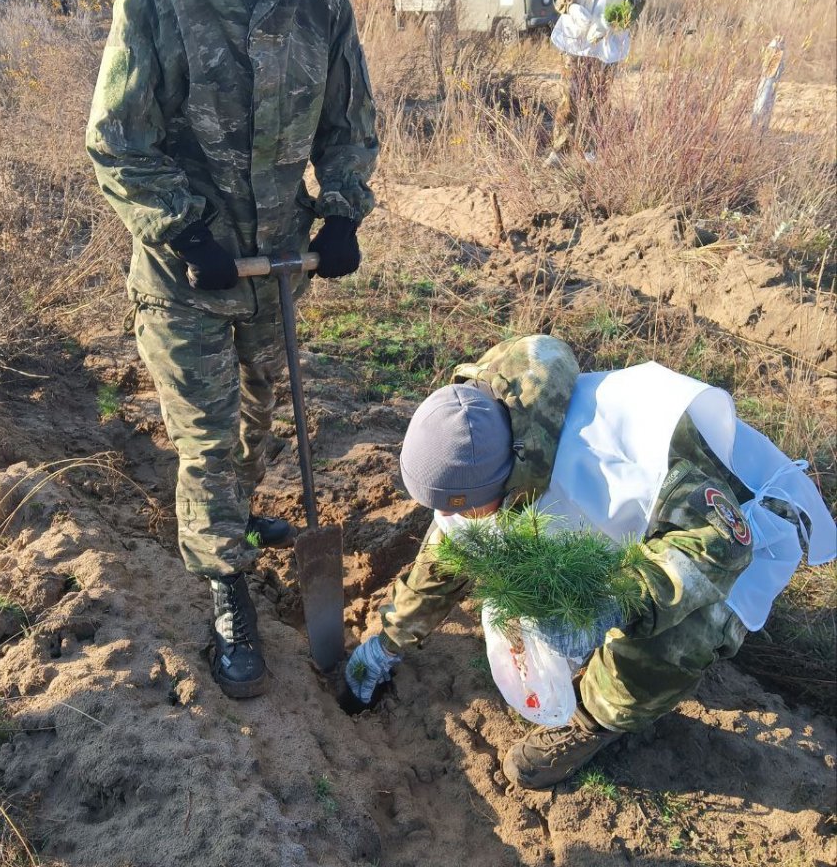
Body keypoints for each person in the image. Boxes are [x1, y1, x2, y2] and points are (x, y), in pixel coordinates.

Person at [86, 0, 378, 700]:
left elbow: (351, 123)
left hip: (275, 269)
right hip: (190, 275)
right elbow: (117, 141)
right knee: (208, 442)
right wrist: (185, 231)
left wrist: (345, 209)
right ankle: (227, 592)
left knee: (257, 422)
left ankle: (238, 521)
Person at [346, 336, 835, 789]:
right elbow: (452, 541)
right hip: (646, 520)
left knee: (679, 630)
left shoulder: (612, 461)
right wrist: (387, 643)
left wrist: (605, 607)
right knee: (495, 536)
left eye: (465, 504)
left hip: (738, 524)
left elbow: (718, 547)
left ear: (508, 477)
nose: (455, 518)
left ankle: (594, 719)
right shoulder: (487, 424)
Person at [544, 0, 648, 166]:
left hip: (607, 35)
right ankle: (560, 151)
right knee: (570, 94)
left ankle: (590, 152)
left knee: (598, 97)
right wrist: (571, 7)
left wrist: (615, 20)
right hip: (576, 31)